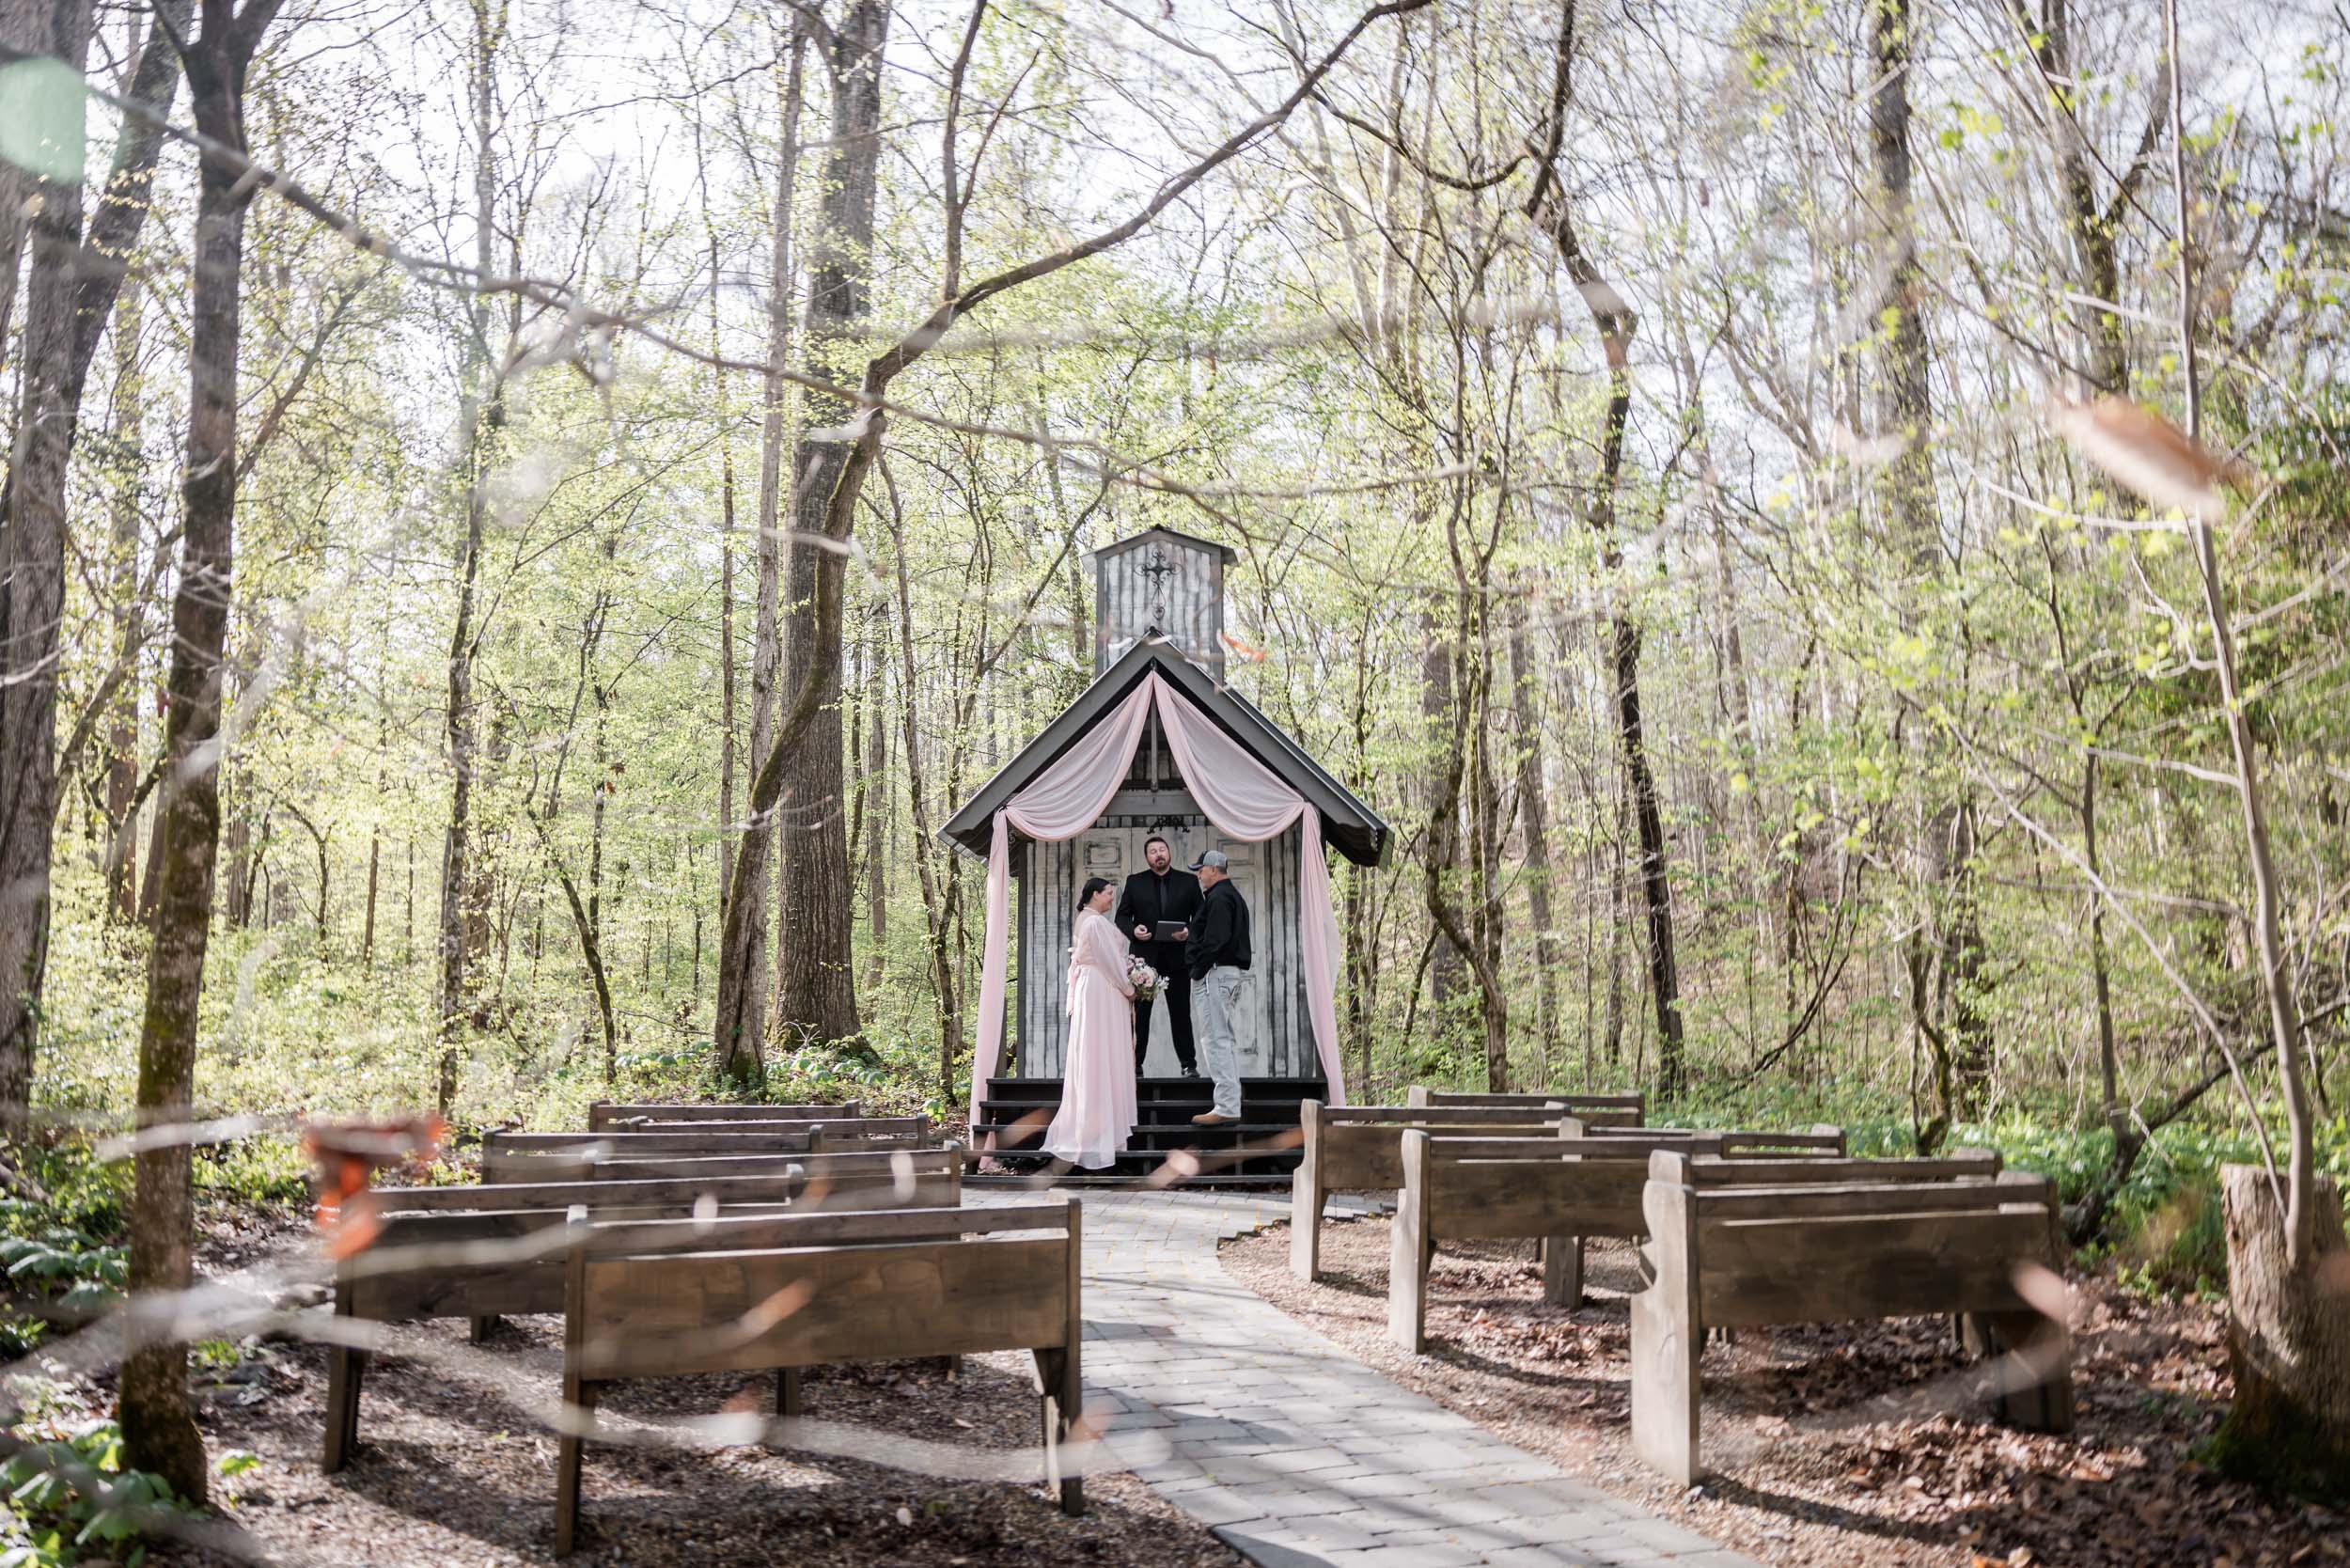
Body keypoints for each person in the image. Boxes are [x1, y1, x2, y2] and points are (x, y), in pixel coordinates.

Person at [1041, 876, 1138, 1168]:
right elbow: (1110, 960)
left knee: (1095, 1051)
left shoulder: (1086, 919)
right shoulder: (1094, 922)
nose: (1112, 898)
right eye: (1108, 893)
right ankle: (1100, 1128)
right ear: (1095, 894)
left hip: (1093, 987)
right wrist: (1130, 987)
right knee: (1101, 1050)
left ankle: (1099, 1122)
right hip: (1101, 990)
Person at [1113, 835, 1202, 1076]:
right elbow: (1122, 917)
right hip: (1144, 962)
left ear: (1169, 853)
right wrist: (1134, 931)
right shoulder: (1135, 882)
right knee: (1140, 1015)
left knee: (1181, 1013)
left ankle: (1189, 1065)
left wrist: (1188, 931)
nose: (1158, 854)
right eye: (1153, 851)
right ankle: (1135, 1064)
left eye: (1162, 849)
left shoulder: (1189, 882)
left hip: (1178, 960)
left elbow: (1201, 916)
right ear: (1147, 858)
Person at [1184, 849, 1252, 1126]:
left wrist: (1198, 970)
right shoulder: (1229, 896)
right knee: (1224, 1039)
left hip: (1215, 974)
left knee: (1214, 1040)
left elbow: (1217, 939)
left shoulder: (1220, 897)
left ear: (1214, 869)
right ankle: (1230, 1103)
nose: (1199, 875)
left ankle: (1226, 1105)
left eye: (1201, 870)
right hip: (1225, 974)